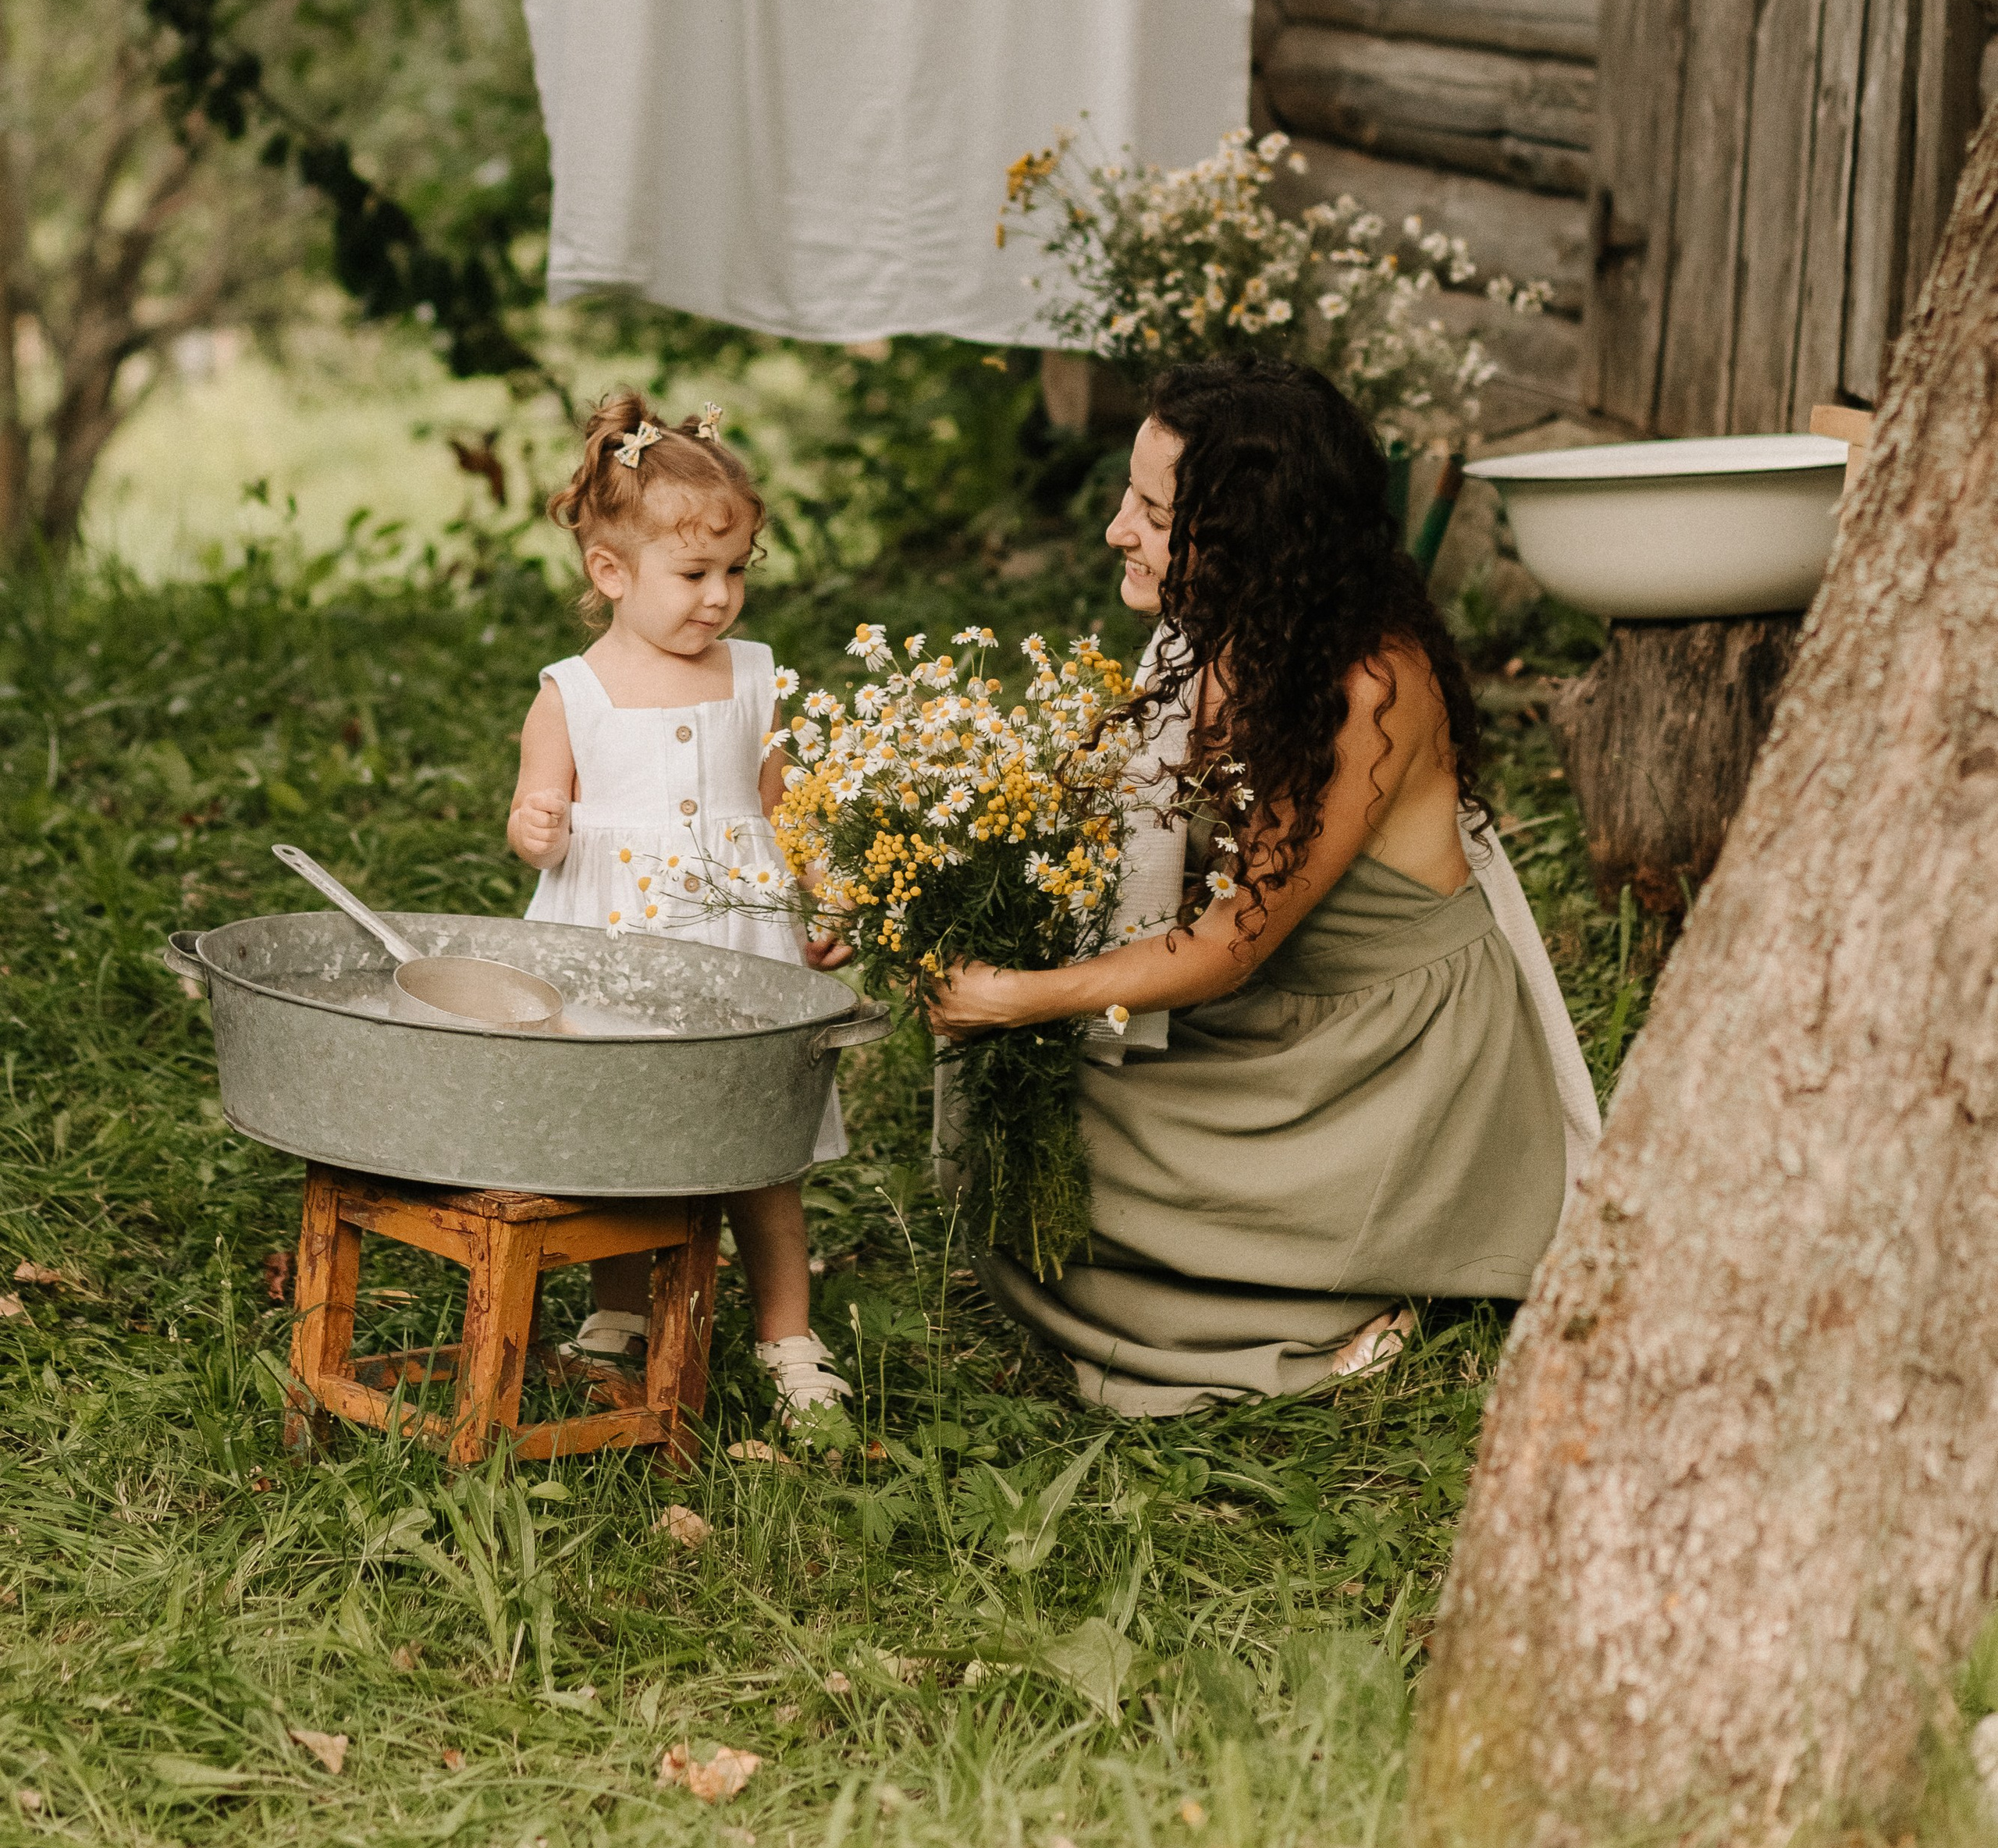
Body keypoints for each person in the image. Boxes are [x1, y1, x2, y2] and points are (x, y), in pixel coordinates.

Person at [928, 355, 1593, 1417]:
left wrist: (1021, 995)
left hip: (1385, 1051)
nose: (1118, 531)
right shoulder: (1220, 635)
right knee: (1009, 1111)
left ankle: (1339, 1303)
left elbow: (1229, 944)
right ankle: (1240, 1287)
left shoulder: (1364, 687)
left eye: (1155, 513)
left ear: (1255, 537)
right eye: (1130, 498)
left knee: (1032, 1078)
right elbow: (1113, 842)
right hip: (1273, 1004)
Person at [510, 392, 852, 1429]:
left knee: (763, 1147)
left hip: (743, 944)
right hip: (617, 952)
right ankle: (622, 1309)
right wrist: (538, 826)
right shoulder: (573, 693)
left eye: (736, 571)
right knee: (624, 1140)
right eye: (695, 574)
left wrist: (827, 885)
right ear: (611, 572)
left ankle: (787, 1334)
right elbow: (539, 818)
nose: (720, 598)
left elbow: (784, 803)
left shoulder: (754, 677)